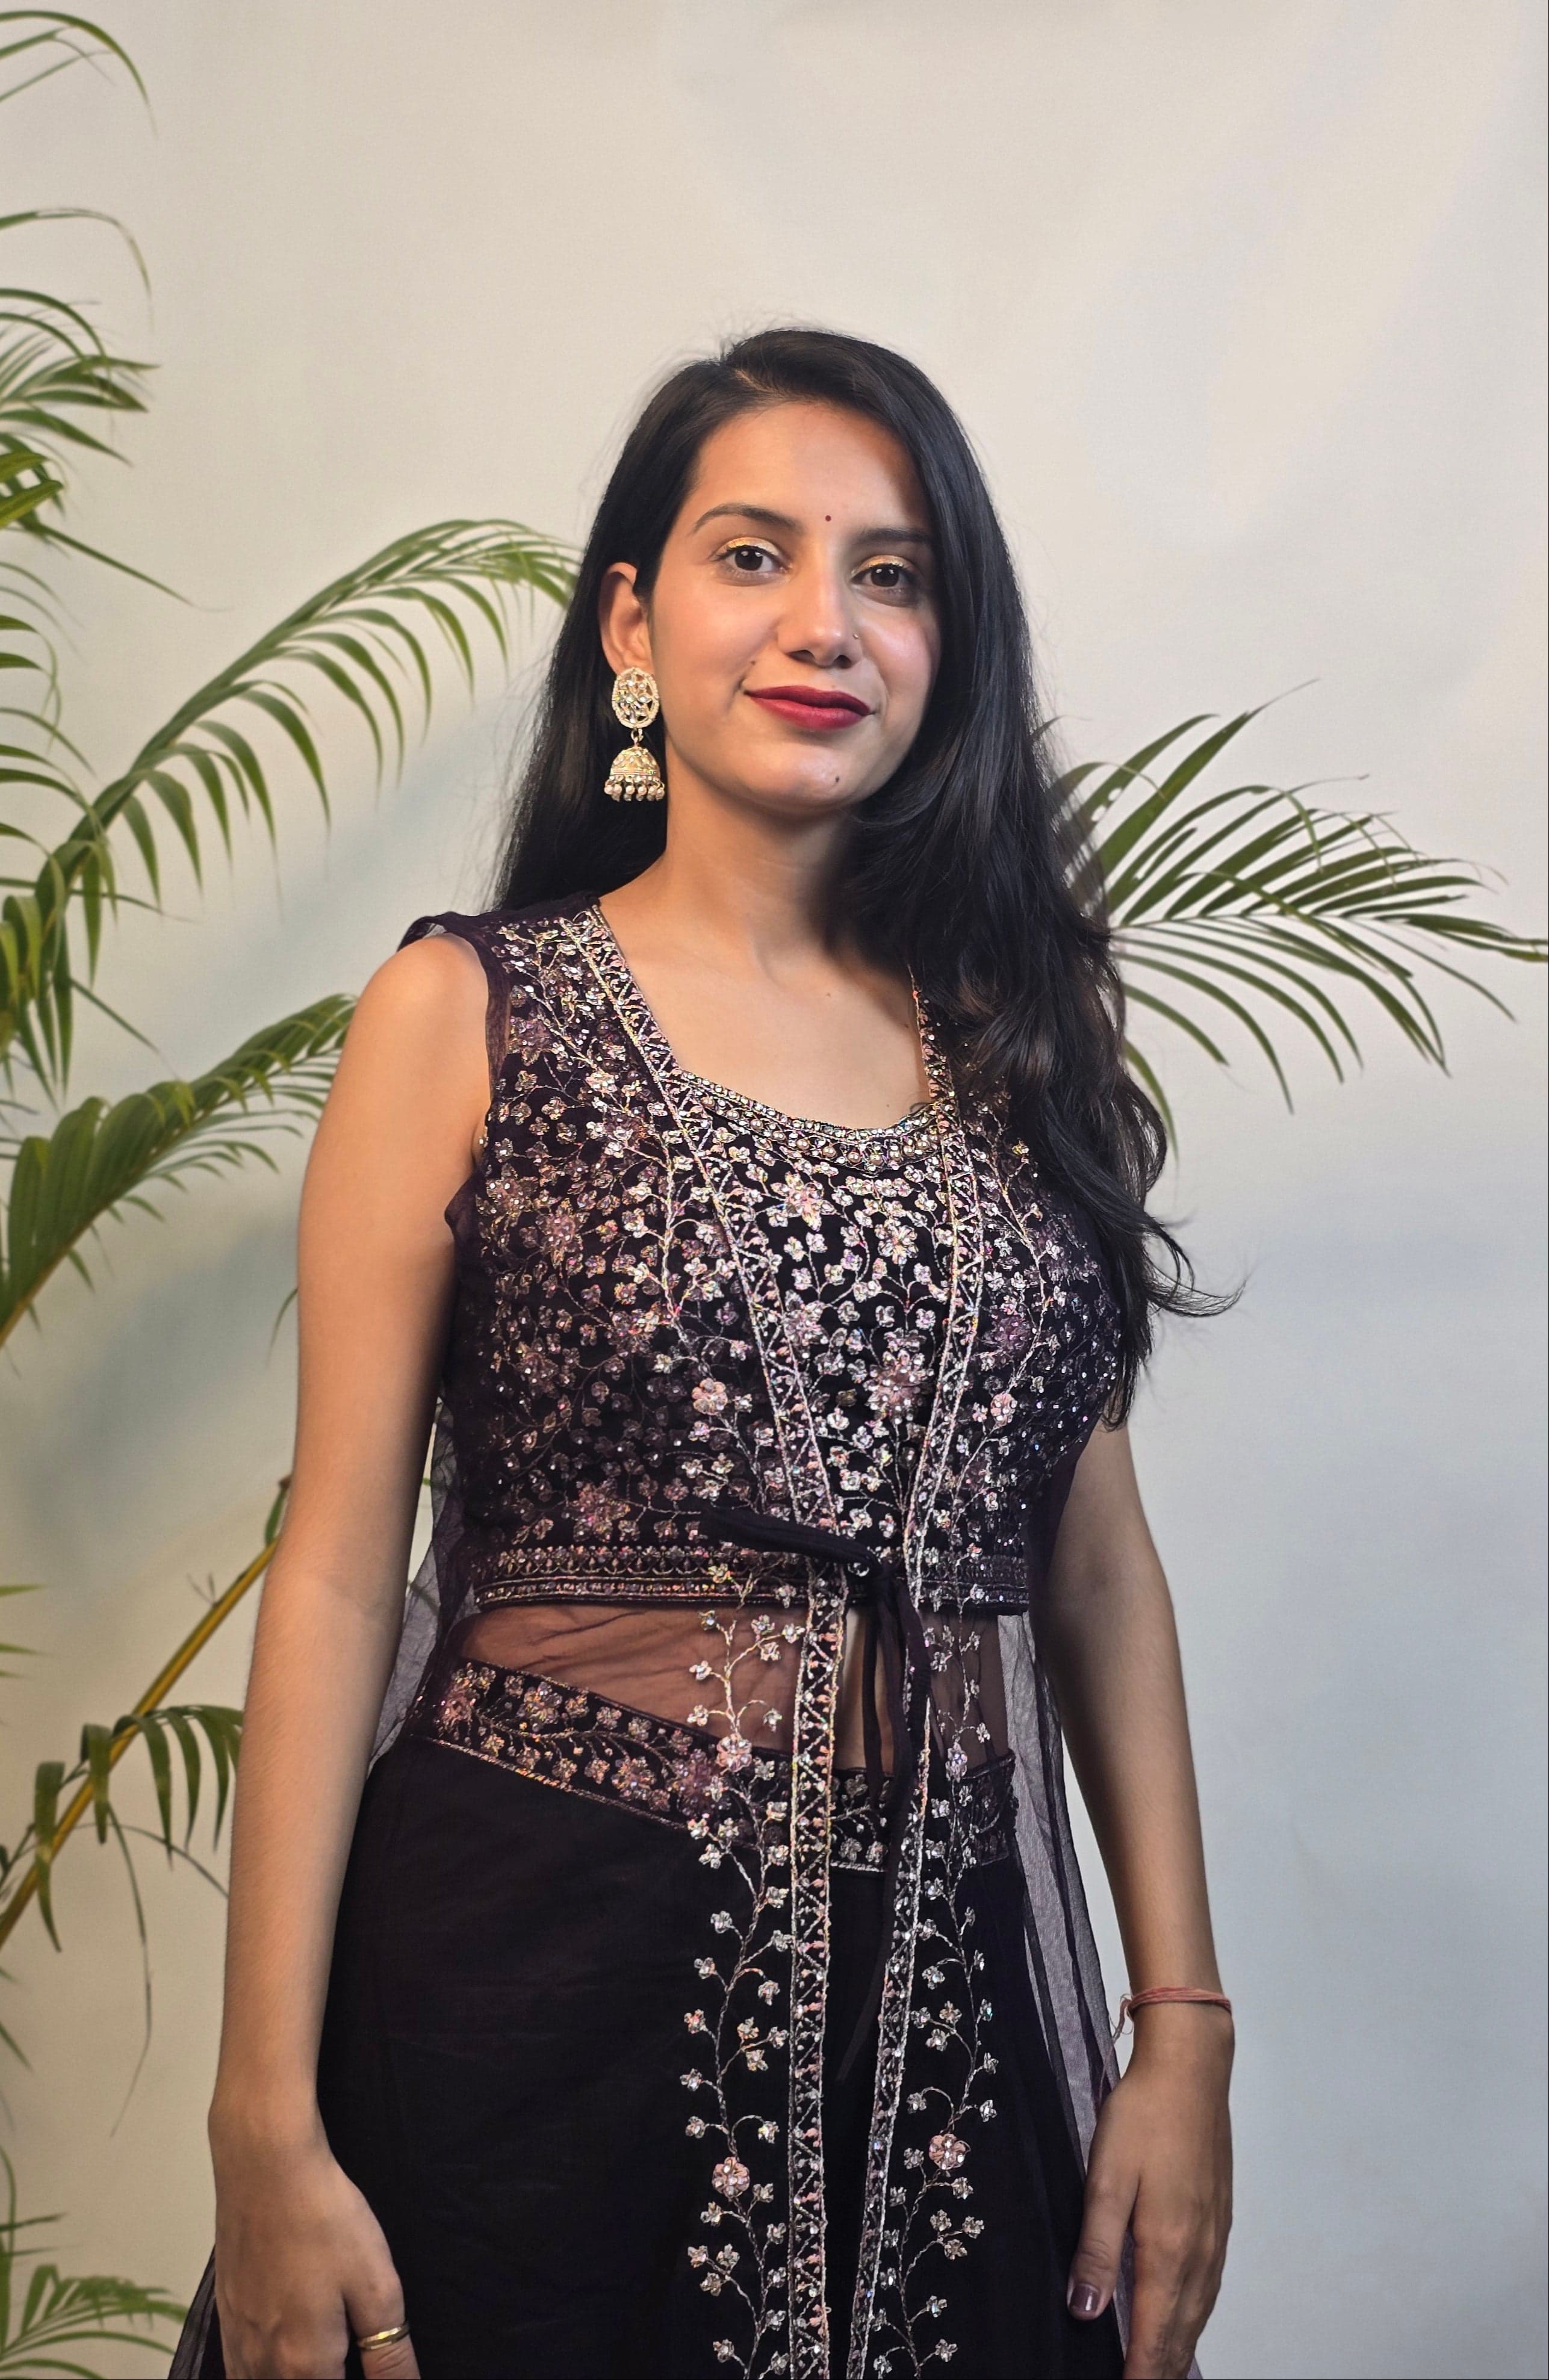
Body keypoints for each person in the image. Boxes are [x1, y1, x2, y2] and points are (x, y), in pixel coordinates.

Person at [171, 329, 1233, 2380]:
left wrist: (1180, 2027)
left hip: (960, 2020)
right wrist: (260, 2118)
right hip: (529, 1995)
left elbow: (1097, 1565)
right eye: (754, 555)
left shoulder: (1022, 1058)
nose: (825, 620)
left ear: (951, 645)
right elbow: (333, 1567)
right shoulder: (472, 1013)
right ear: (636, 625)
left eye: (895, 572)